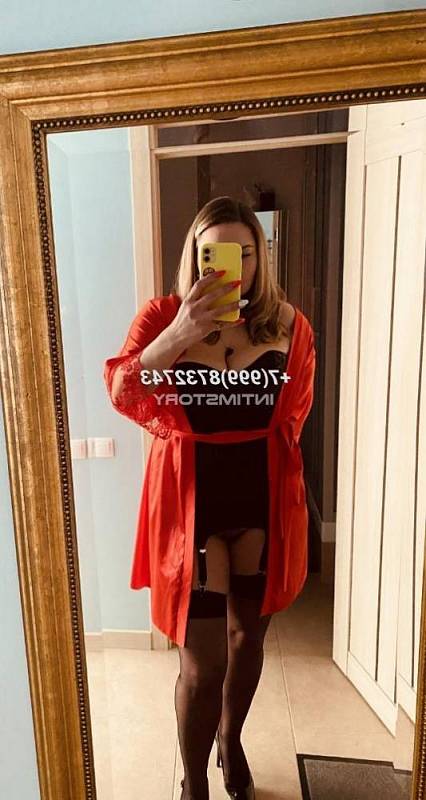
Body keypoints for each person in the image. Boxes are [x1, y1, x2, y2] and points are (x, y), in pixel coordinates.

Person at [103, 196, 316, 800]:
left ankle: (232, 737)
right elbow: (123, 392)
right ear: (194, 258)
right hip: (190, 506)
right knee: (202, 665)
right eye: (213, 255)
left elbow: (295, 414)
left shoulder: (289, 325)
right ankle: (193, 780)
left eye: (244, 254)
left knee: (249, 641)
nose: (231, 269)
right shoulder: (162, 317)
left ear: (260, 256)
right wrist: (178, 335)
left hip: (262, 500)